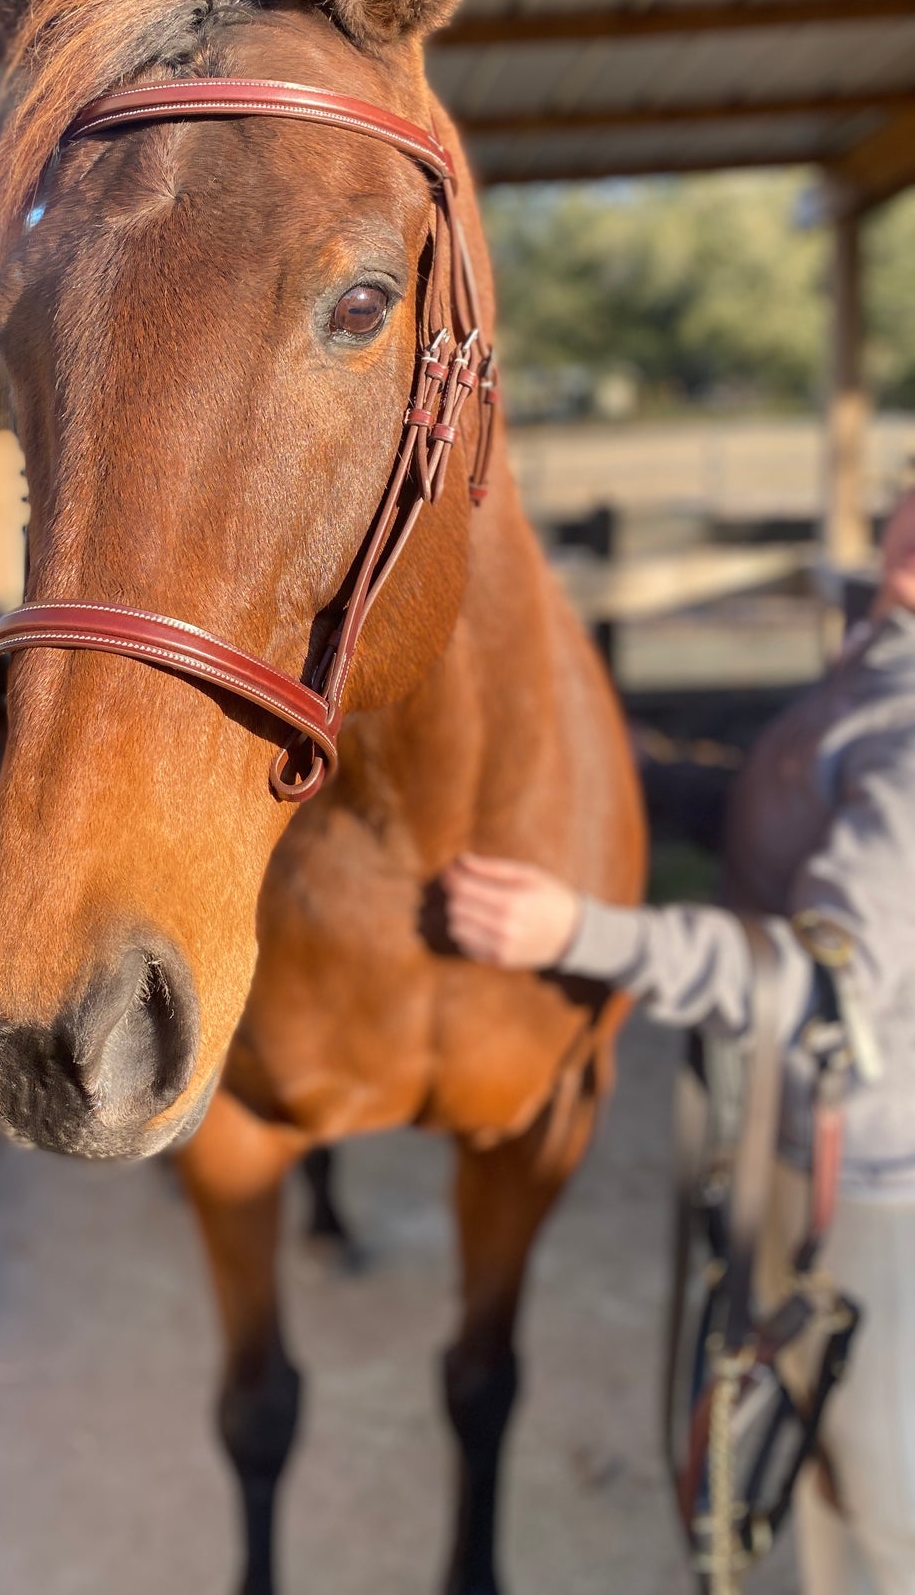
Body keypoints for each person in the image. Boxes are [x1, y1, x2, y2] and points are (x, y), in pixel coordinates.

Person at [445, 489, 915, 1595]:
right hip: (793, 1133)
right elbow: (772, 807)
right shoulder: (876, 663)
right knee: (791, 1442)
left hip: (873, 1175)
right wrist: (601, 776)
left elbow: (818, 979)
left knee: (881, 1485)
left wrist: (578, 933)